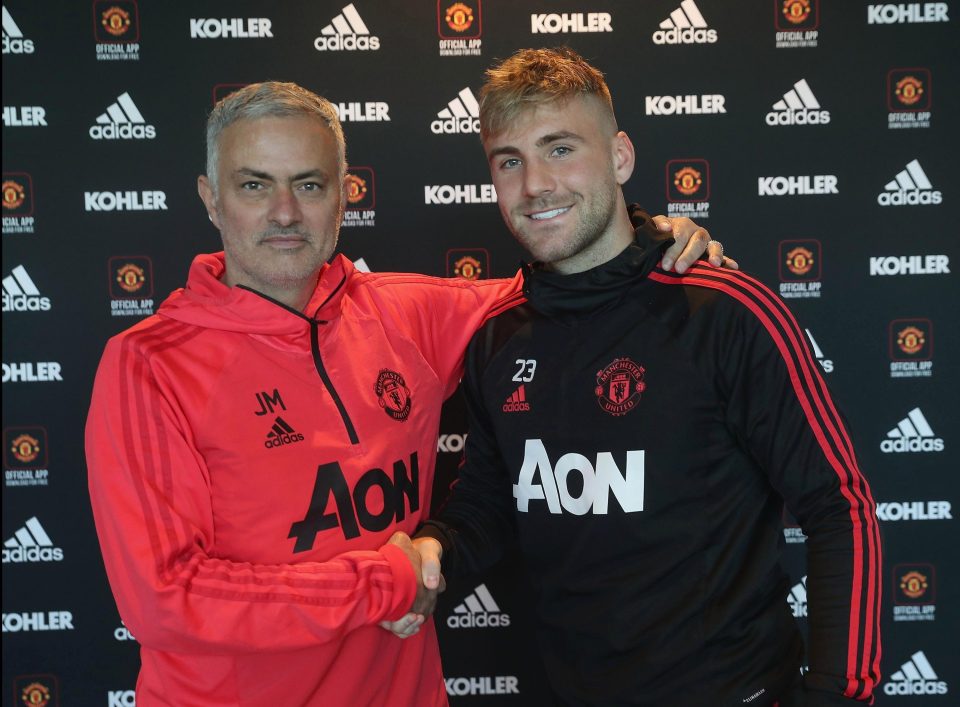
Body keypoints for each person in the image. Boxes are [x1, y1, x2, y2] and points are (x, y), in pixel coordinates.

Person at [84, 81, 727, 706]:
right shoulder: (148, 365)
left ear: (343, 196)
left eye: (309, 185)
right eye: (255, 185)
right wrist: (382, 584)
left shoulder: (401, 313)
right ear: (210, 198)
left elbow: (575, 284)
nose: (285, 212)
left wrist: (649, 239)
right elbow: (164, 600)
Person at [413, 48, 882, 706]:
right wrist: (431, 550)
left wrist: (838, 695)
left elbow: (841, 507)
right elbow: (488, 503)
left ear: (621, 157)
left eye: (560, 148)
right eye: (509, 161)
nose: (535, 185)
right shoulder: (496, 334)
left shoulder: (724, 310)